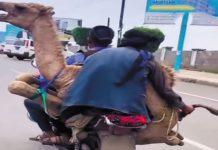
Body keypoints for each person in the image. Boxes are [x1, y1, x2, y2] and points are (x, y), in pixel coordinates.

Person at [61, 27, 194, 150]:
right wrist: (183, 106)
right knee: (137, 121)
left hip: (76, 109)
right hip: (123, 113)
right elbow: (165, 90)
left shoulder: (94, 56)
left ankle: (78, 134)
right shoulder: (146, 59)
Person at [24, 25, 115, 145]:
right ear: (110, 41)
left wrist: (38, 78)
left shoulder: (77, 58)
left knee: (31, 102)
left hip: (78, 104)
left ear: (89, 40)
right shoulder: (119, 59)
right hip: (113, 104)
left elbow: (53, 75)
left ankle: (52, 134)